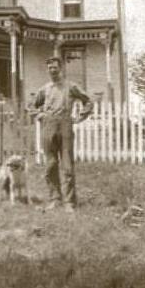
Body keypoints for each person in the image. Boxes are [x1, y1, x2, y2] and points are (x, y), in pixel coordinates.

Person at [33, 56, 93, 211]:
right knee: (51, 164)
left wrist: (80, 117)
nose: (53, 70)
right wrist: (39, 115)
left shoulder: (71, 86)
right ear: (48, 70)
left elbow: (88, 101)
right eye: (50, 68)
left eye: (55, 67)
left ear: (61, 68)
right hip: (48, 126)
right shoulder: (45, 89)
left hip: (65, 125)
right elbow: (32, 106)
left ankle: (69, 202)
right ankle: (55, 198)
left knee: (67, 165)